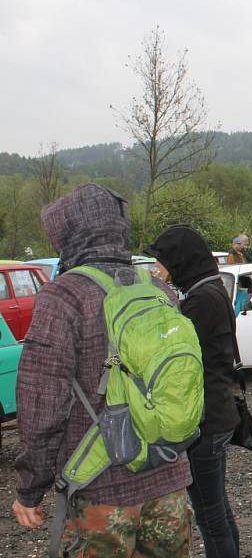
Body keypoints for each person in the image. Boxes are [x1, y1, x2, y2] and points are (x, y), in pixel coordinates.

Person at [13, 184, 192, 556]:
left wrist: (30, 488)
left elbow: (41, 406)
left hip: (99, 494)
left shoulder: (64, 296)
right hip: (169, 480)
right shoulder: (160, 290)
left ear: (71, 232)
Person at [146, 224, 241, 557]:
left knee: (210, 517)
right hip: (219, 411)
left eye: (161, 261)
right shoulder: (210, 288)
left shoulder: (200, 299)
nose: (157, 269)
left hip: (207, 420)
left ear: (180, 259)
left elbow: (176, 354)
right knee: (219, 510)